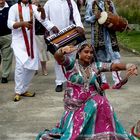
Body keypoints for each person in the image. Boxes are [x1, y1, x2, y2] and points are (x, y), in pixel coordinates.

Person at [36, 43, 138, 140]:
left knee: (102, 102)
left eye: (91, 52)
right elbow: (59, 58)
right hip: (75, 103)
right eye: (86, 52)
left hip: (92, 98)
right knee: (96, 103)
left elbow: (113, 66)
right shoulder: (71, 64)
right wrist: (61, 51)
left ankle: (103, 134)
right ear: (79, 53)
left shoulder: (95, 66)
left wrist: (128, 66)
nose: (89, 55)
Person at [7, 0, 56, 101]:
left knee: (32, 67)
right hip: (19, 42)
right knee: (20, 66)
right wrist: (22, 23)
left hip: (31, 42)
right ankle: (17, 91)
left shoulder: (32, 7)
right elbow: (9, 24)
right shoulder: (14, 8)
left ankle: (24, 90)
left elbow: (42, 19)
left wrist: (42, 11)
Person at [44, 0, 84, 92]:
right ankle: (59, 82)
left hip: (70, 34)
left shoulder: (71, 2)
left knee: (72, 58)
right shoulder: (49, 3)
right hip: (56, 35)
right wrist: (51, 26)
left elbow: (76, 15)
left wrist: (79, 25)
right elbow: (43, 18)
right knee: (59, 58)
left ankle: (73, 80)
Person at [84, 0, 125, 90]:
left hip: (110, 36)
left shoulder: (109, 2)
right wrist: (94, 17)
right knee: (99, 59)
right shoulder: (90, 3)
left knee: (115, 57)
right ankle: (103, 82)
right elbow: (86, 19)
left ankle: (118, 81)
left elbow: (116, 16)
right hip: (98, 37)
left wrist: (113, 23)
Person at [32, 0, 49, 76]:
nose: (34, 4)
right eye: (33, 3)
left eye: (36, 2)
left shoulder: (41, 10)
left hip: (40, 33)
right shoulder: (28, 11)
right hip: (31, 34)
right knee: (33, 53)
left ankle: (44, 68)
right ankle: (34, 68)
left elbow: (45, 20)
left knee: (42, 52)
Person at [0, 0, 13, 83]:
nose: (0, 1)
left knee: (7, 57)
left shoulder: (11, 8)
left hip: (7, 36)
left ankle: (5, 76)